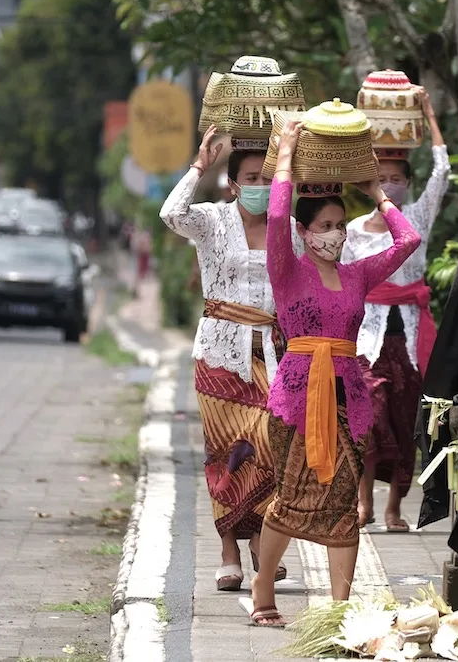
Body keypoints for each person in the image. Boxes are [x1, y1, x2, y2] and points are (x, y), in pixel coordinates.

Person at [245, 120, 421, 626]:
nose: (336, 234)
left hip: (348, 399)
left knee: (344, 501)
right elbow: (276, 215)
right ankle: (264, 587)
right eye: (324, 226)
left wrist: (378, 197)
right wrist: (287, 159)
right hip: (298, 399)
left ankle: (340, 612)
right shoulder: (288, 268)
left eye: (340, 225)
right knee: (295, 495)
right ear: (304, 232)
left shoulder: (357, 273)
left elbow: (408, 241)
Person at [159, 125, 302, 592]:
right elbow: (170, 213)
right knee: (224, 454)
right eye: (251, 179)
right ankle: (228, 548)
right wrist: (201, 163)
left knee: (266, 445)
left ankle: (261, 534)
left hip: (272, 354)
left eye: (268, 178)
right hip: (220, 352)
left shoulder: (288, 228)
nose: (260, 187)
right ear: (235, 182)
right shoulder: (213, 220)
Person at [340, 88, 450, 532]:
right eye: (381, 178)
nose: (391, 184)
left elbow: (442, 171)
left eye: (397, 177)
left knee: (405, 423)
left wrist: (426, 111)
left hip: (407, 339)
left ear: (406, 181)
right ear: (371, 184)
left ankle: (393, 509)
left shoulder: (418, 218)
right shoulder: (350, 230)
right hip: (366, 339)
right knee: (367, 420)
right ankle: (364, 502)